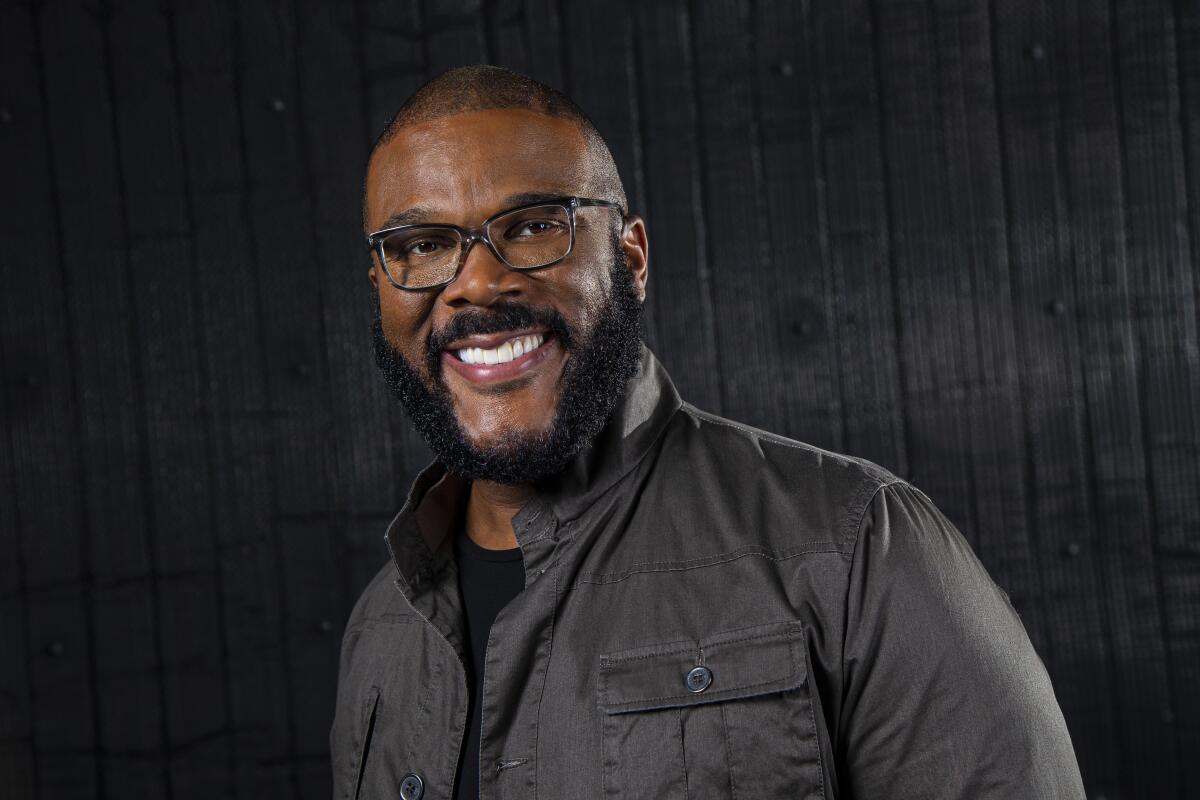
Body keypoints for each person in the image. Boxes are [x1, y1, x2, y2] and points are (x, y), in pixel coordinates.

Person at [331, 64, 1085, 800]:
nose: (475, 283)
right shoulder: (381, 628)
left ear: (630, 261)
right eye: (423, 245)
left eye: (532, 227)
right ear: (381, 289)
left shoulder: (857, 547)